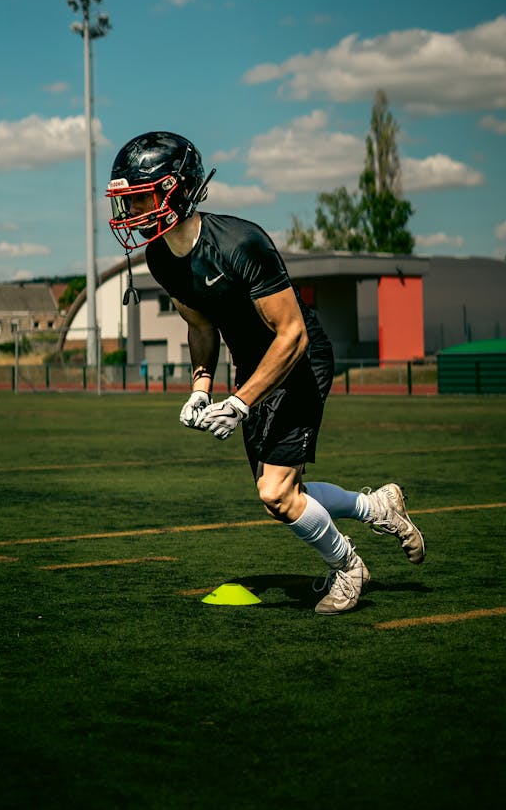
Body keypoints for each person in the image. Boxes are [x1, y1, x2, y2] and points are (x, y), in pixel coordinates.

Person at [106, 131, 425, 614]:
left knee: (275, 492)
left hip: (298, 358)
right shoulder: (159, 257)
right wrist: (200, 386)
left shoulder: (240, 241)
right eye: (126, 203)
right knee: (284, 492)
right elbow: (199, 323)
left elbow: (292, 334)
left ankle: (348, 567)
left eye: (139, 198)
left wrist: (239, 402)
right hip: (254, 366)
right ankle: (377, 508)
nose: (129, 214)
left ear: (175, 189)